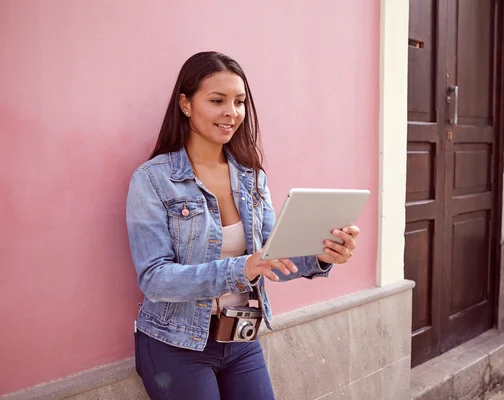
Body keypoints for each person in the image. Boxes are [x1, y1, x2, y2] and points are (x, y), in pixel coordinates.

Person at [125, 51, 361, 400]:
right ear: (186, 104)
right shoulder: (153, 179)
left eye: (239, 102)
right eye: (217, 100)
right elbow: (154, 279)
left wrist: (324, 255)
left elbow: (273, 257)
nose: (231, 113)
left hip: (240, 339)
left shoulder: (251, 176)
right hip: (174, 343)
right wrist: (242, 268)